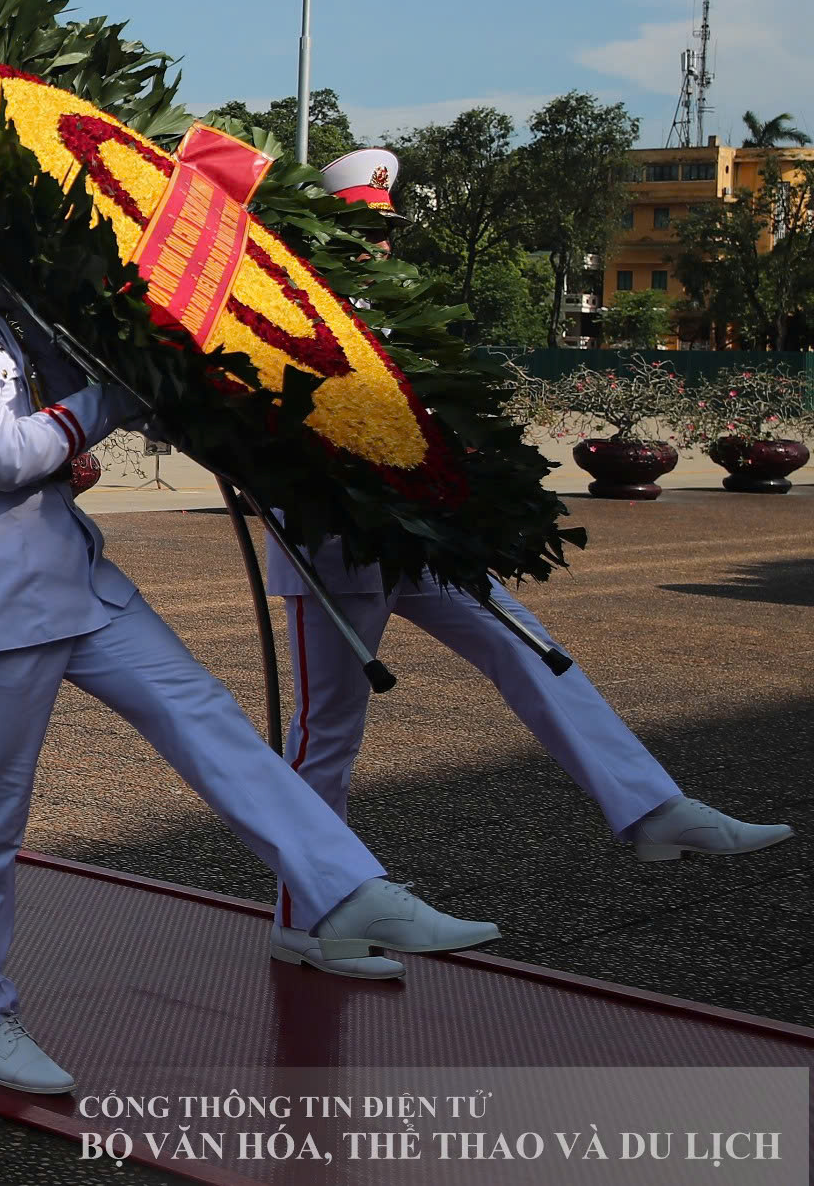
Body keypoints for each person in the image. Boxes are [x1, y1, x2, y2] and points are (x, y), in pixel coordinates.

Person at [0, 96, 500, 1096]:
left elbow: (44, 421)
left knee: (208, 718)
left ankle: (345, 886)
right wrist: (116, 392)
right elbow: (5, 451)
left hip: (69, 566)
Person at [261, 149, 794, 979]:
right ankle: (306, 918)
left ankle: (652, 807)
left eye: (386, 227)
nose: (378, 243)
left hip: (423, 534)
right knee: (327, 733)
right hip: (337, 545)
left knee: (530, 647)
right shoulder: (284, 308)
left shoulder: (396, 309)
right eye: (361, 228)